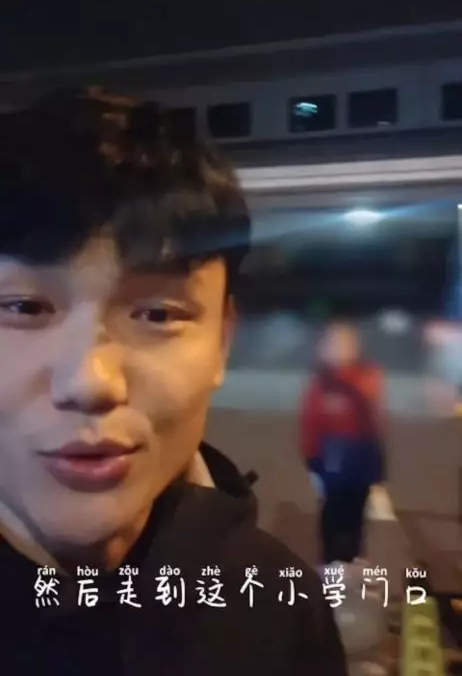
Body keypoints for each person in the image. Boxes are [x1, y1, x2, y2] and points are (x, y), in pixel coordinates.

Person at [0, 88, 347, 675]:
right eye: (23, 307)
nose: (90, 382)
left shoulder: (278, 608)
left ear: (222, 342)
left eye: (158, 314)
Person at [300, 322, 385, 566]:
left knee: (356, 512)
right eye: (334, 344)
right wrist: (311, 458)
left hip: (361, 453)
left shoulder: (367, 375)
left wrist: (377, 463)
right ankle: (330, 560)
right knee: (332, 511)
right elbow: (310, 421)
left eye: (346, 344)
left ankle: (352, 557)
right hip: (331, 455)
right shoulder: (320, 382)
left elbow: (373, 416)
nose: (340, 350)